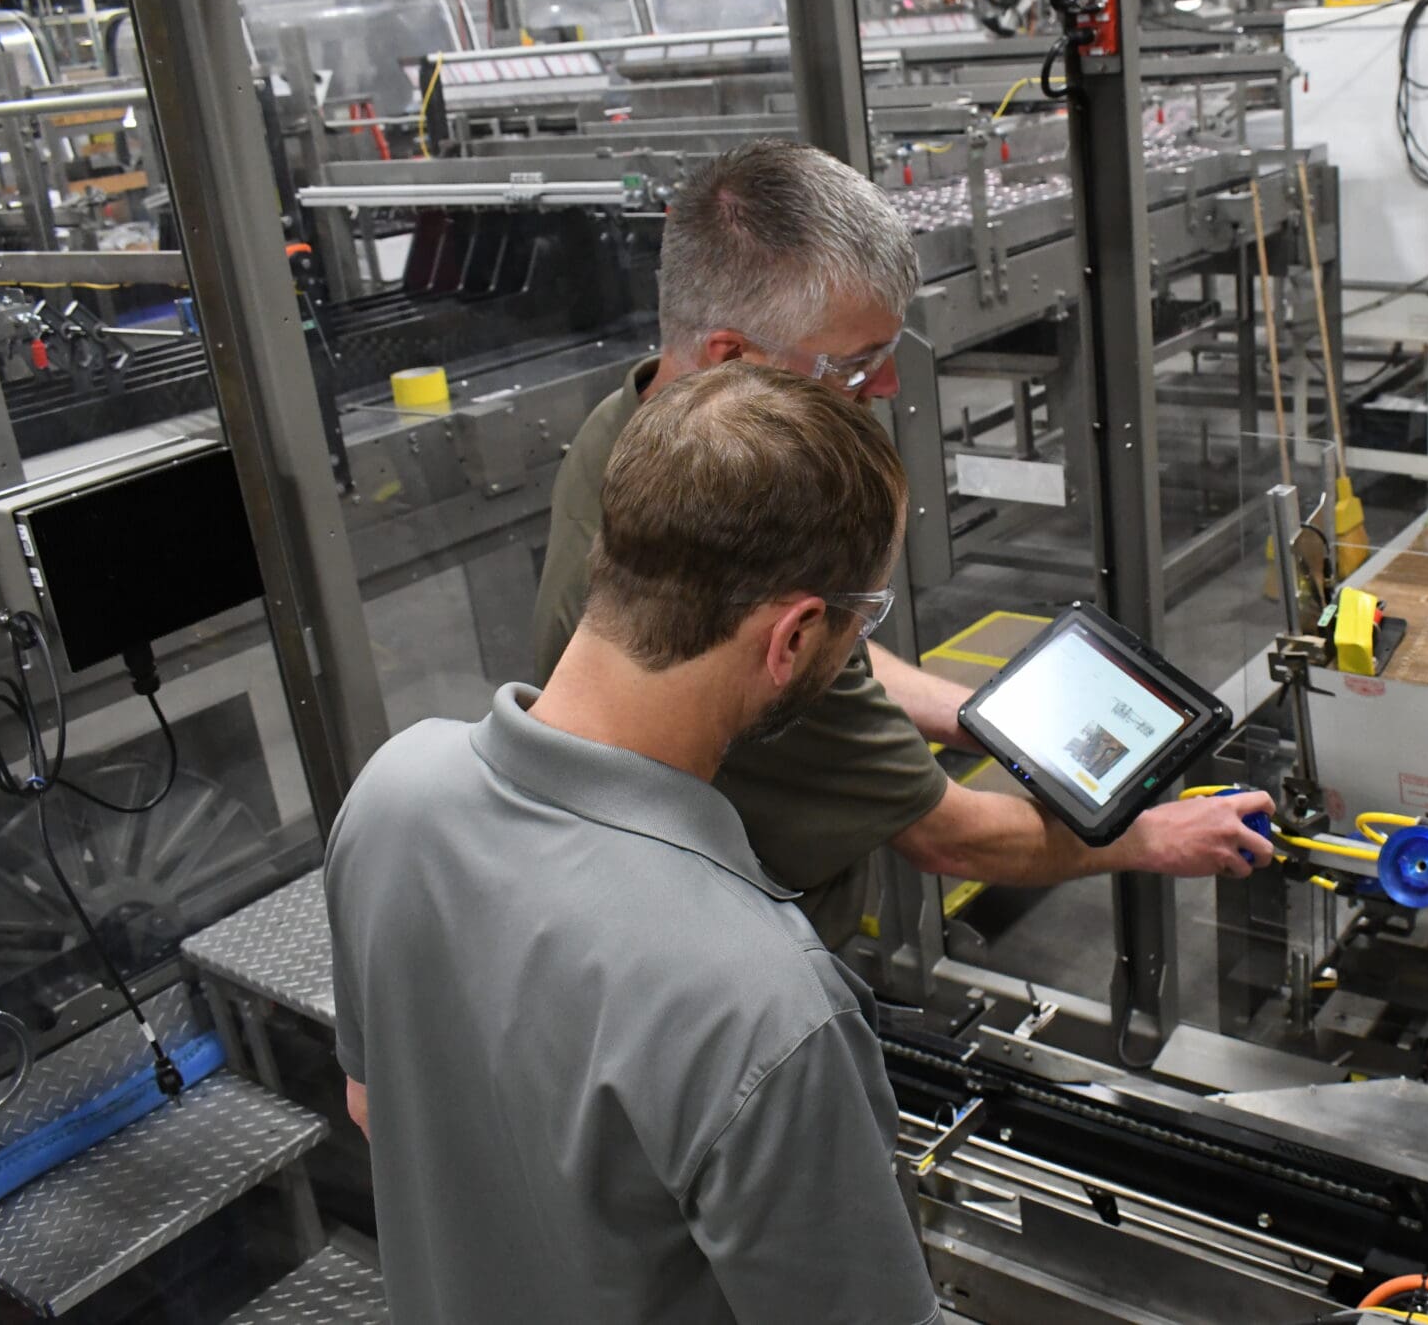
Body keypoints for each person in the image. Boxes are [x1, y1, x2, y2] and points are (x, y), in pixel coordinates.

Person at [534, 139, 1273, 947]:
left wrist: (978, 717)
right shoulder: (741, 574)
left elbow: (835, 660)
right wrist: (1154, 838)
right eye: (854, 364)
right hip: (741, 950)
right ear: (732, 359)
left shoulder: (632, 427)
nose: (884, 388)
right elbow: (946, 833)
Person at [329, 364, 942, 1325]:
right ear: (792, 636)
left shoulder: (393, 794)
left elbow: (377, 1112)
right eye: (865, 620)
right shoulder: (765, 1004)